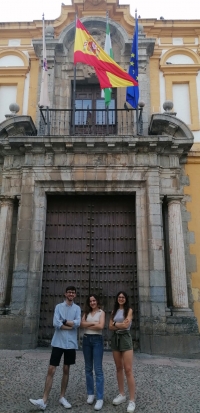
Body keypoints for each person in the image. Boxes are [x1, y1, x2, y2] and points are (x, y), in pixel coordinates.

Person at [29, 285, 81, 410]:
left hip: (70, 344)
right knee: (51, 369)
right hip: (58, 342)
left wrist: (63, 322)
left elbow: (78, 323)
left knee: (66, 369)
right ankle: (44, 399)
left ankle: (62, 397)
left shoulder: (77, 308)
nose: (71, 294)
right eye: (69, 292)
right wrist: (69, 324)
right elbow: (55, 323)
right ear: (65, 294)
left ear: (75, 295)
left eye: (73, 292)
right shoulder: (58, 307)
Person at [109, 291, 136, 413]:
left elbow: (126, 326)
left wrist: (115, 323)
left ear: (126, 299)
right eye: (119, 297)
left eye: (123, 297)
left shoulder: (129, 310)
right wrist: (118, 324)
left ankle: (132, 400)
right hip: (115, 338)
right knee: (119, 367)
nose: (121, 299)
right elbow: (110, 327)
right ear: (117, 299)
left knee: (128, 369)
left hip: (125, 338)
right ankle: (121, 394)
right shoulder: (114, 311)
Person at [80, 294, 105, 411]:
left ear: (97, 301)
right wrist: (93, 323)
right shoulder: (86, 312)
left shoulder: (102, 312)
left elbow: (101, 326)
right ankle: (90, 394)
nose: (92, 303)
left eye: (94, 300)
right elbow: (81, 324)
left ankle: (100, 398)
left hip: (97, 341)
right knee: (88, 368)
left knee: (98, 369)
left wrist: (88, 324)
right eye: (90, 301)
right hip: (86, 340)